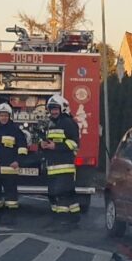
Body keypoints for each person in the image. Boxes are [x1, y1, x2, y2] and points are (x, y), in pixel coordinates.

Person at [40, 95, 81, 233]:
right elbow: (50, 140)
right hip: (53, 166)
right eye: (51, 109)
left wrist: (55, 147)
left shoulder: (68, 123)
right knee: (56, 194)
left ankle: (62, 222)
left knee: (62, 194)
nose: (53, 112)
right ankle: (73, 218)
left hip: (64, 166)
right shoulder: (51, 123)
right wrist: (43, 145)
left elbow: (74, 143)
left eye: (56, 109)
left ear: (62, 108)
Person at [0, 103, 27, 225]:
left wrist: (18, 161)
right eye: (1, 115)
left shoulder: (15, 130)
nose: (3, 118)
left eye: (6, 115)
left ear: (10, 116)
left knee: (11, 197)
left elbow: (22, 147)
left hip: (10, 169)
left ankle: (11, 218)